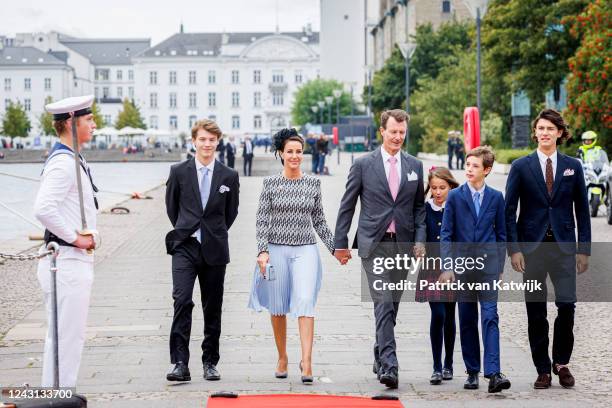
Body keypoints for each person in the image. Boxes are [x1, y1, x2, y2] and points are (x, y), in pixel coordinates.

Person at [334, 109, 426, 389]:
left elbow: (419, 208)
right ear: (382, 131)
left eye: (402, 132)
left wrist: (420, 239)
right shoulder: (363, 165)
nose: (398, 136)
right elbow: (347, 204)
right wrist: (340, 243)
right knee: (383, 301)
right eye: (393, 131)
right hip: (373, 244)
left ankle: (379, 351)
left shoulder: (414, 166)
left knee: (392, 306)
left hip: (403, 245)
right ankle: (390, 365)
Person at [505, 109, 590, 389]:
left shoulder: (572, 166)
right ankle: (542, 368)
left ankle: (561, 362)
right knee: (535, 310)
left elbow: (582, 210)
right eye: (540, 128)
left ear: (560, 133)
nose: (544, 133)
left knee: (567, 305)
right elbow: (509, 210)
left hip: (564, 248)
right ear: (535, 132)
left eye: (550, 129)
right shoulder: (521, 166)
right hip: (532, 249)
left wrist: (584, 249)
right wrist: (514, 249)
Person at [248, 128, 338, 384]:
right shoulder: (270, 184)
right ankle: (282, 357)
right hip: (276, 249)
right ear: (280, 153)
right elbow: (262, 219)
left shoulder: (313, 183)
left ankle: (307, 362)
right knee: (277, 307)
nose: (295, 156)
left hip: (305, 249)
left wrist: (335, 249)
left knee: (306, 301)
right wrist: (262, 251)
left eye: (299, 151)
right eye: (290, 152)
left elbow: (319, 220)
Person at [165, 119, 240, 382]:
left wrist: (213, 231)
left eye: (212, 140)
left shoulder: (229, 175)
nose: (207, 144)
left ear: (217, 142)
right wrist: (188, 229)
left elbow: (231, 213)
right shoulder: (178, 171)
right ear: (194, 141)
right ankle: (179, 363)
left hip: (215, 249)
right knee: (182, 300)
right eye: (202, 139)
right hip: (184, 246)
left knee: (213, 307)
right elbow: (172, 208)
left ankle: (210, 361)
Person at [34, 95, 99, 387]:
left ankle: (56, 395)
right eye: (89, 119)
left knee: (62, 337)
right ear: (71, 123)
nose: (94, 124)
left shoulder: (72, 158)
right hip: (67, 260)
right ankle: (57, 396)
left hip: (70, 261)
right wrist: (76, 238)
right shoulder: (63, 163)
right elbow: (43, 208)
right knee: (67, 338)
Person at [440, 145, 511, 393]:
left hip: (489, 267)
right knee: (467, 319)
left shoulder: (496, 197)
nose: (469, 169)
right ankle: (472, 371)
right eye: (467, 164)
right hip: (463, 267)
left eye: (475, 166)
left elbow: (502, 234)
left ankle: (493, 373)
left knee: (490, 316)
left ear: (487, 170)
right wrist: (448, 266)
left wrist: (500, 268)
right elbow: (446, 234)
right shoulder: (456, 197)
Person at [414, 166, 459, 385]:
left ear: (451, 186)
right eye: (434, 188)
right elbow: (419, 229)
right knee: (438, 314)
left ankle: (449, 363)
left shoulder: (458, 207)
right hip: (431, 267)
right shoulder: (425, 208)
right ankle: (436, 366)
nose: (438, 192)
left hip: (453, 269)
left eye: (442, 187)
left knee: (450, 315)